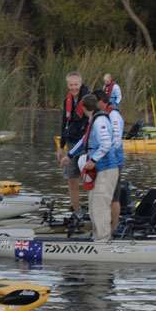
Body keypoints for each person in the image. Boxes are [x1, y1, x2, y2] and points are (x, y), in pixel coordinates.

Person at [61, 94, 119, 241]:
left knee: (100, 206)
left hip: (107, 169)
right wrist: (69, 155)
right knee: (93, 205)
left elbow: (106, 144)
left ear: (83, 107)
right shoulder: (92, 120)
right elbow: (83, 141)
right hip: (98, 171)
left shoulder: (100, 122)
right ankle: (96, 237)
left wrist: (93, 159)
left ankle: (103, 240)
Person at [56, 71, 90, 214]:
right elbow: (65, 123)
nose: (73, 88)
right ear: (67, 85)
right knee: (71, 178)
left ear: (80, 84)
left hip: (84, 144)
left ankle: (93, 210)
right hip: (70, 142)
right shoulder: (67, 99)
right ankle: (76, 210)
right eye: (71, 85)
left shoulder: (88, 98)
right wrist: (61, 146)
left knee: (88, 178)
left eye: (76, 85)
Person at [95, 89, 125, 232]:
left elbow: (117, 140)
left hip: (114, 162)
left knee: (114, 197)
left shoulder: (113, 115)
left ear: (101, 101)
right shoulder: (103, 115)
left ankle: (113, 228)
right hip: (105, 162)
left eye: (95, 102)